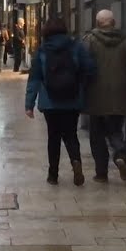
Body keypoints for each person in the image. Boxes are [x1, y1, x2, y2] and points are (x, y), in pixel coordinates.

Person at [24, 17, 96, 186]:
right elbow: (90, 69)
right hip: (72, 100)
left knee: (53, 137)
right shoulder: (76, 47)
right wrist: (81, 87)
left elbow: (34, 79)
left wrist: (29, 104)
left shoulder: (42, 50)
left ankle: (53, 174)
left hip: (50, 102)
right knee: (71, 134)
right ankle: (76, 161)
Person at [81, 10, 126, 183]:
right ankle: (120, 154)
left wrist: (83, 91)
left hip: (95, 95)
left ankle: (101, 173)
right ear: (114, 22)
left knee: (97, 136)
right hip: (119, 94)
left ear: (97, 23)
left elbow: (83, 68)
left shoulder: (89, 41)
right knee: (115, 131)